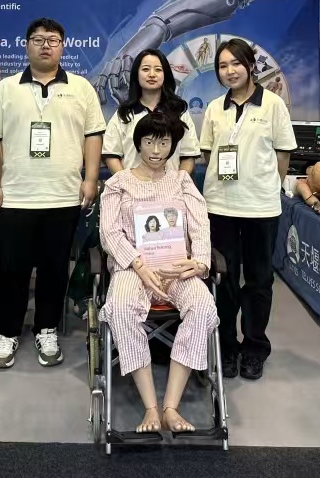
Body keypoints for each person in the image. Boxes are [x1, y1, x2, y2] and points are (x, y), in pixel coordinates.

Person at [0, 18, 105, 370]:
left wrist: (90, 177)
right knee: (12, 270)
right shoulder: (6, 89)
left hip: (63, 197)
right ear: (26, 45)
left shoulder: (81, 88)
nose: (45, 45)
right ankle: (7, 332)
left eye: (53, 40)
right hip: (16, 196)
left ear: (63, 46)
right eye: (38, 39)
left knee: (54, 270)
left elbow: (93, 136)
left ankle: (46, 329)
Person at [99, 112, 217, 434]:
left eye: (163, 143)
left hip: (176, 266)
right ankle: (151, 406)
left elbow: (200, 225)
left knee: (203, 305)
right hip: (133, 267)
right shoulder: (118, 183)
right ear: (138, 143)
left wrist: (200, 262)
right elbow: (109, 233)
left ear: (172, 146)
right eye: (149, 141)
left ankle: (171, 408)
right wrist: (137, 264)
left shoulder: (182, 181)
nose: (156, 150)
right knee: (120, 307)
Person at [199, 38, 296, 381]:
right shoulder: (215, 108)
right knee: (223, 278)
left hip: (261, 208)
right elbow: (208, 153)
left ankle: (254, 347)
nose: (230, 71)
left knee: (259, 279)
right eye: (222, 66)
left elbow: (283, 154)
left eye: (236, 63)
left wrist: (266, 186)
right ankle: (226, 347)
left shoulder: (273, 105)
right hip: (221, 205)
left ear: (250, 66)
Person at [102, 49, 199, 173]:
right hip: (131, 185)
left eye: (158, 69)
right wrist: (125, 182)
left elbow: (188, 155)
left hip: (172, 184)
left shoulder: (179, 112)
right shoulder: (124, 114)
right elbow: (111, 155)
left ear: (165, 74)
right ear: (136, 74)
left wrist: (179, 182)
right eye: (146, 69)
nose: (152, 74)